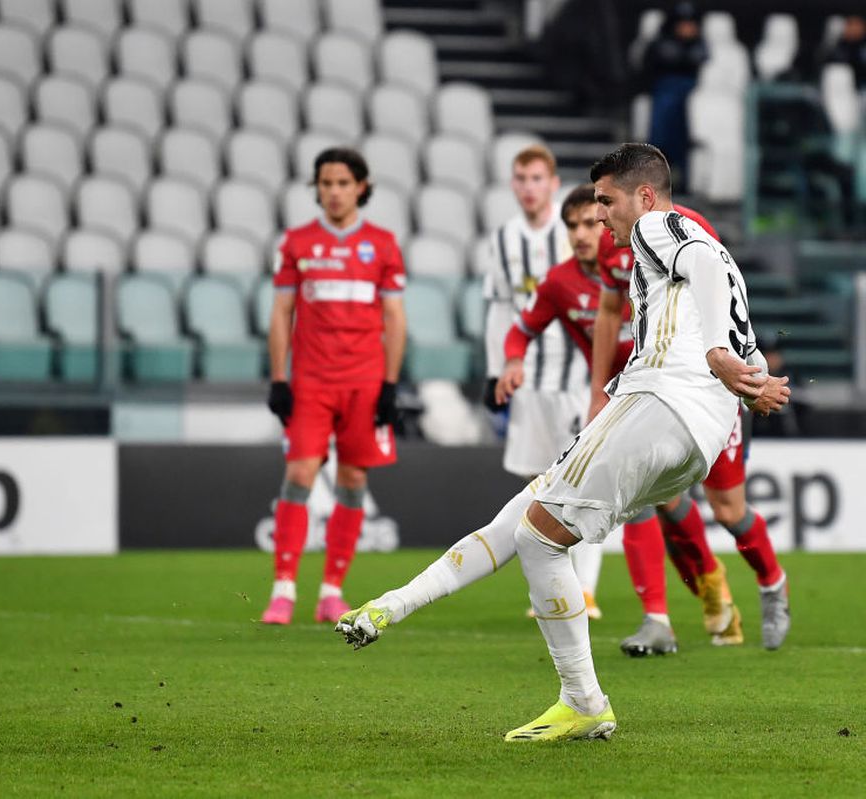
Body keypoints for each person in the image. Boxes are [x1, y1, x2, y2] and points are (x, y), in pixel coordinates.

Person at [337, 143, 790, 743]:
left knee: (538, 537)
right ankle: (392, 605)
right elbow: (734, 324)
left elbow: (701, 266)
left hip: (660, 404)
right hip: (691, 433)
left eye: (605, 201)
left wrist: (715, 355)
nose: (599, 216)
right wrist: (753, 382)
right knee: (522, 518)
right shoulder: (712, 261)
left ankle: (584, 701)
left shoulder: (658, 226)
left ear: (644, 196)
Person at [591, 209, 790, 653]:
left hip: (713, 392)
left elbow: (728, 299)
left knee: (729, 512)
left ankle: (772, 581)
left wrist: (751, 373)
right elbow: (609, 312)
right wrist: (596, 391)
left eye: (604, 205)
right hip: (661, 392)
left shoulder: (687, 227)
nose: (600, 221)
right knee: (643, 494)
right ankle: (660, 617)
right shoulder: (613, 244)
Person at [260, 147, 407, 625]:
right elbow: (282, 312)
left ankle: (331, 591)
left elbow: (394, 317)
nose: (334, 192)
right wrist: (278, 377)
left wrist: (390, 384)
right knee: (300, 473)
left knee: (353, 480)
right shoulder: (297, 242)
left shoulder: (382, 244)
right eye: (326, 183)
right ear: (316, 188)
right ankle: (283, 590)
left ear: (361, 187)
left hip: (364, 382)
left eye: (343, 183)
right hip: (311, 382)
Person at [480, 146, 602, 615]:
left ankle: (584, 589)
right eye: (521, 178)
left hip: (577, 380)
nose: (528, 188)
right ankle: (555, 588)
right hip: (529, 382)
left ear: (552, 183)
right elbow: (500, 309)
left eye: (536, 178)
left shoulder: (579, 229)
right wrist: (497, 369)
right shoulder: (504, 239)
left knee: (584, 484)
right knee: (538, 488)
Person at [640, 2, 707, 186]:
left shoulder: (701, 47)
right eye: (683, 24)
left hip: (694, 102)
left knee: (686, 138)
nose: (687, 28)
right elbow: (647, 71)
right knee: (662, 134)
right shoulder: (661, 44)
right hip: (666, 100)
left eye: (691, 24)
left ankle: (685, 178)